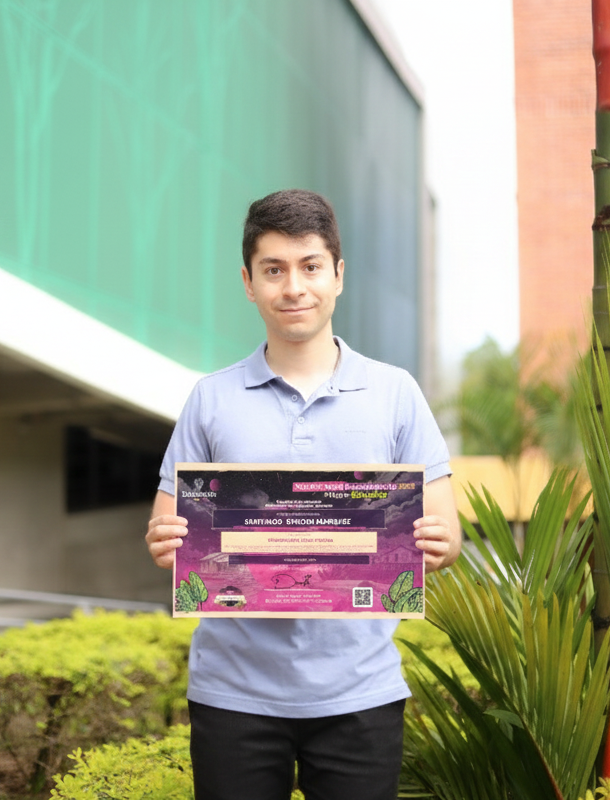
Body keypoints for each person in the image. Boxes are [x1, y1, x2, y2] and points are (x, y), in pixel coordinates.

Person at [145, 189, 460, 800]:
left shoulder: (396, 393)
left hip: (360, 693)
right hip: (232, 693)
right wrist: (165, 541)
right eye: (274, 270)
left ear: (338, 274)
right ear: (248, 282)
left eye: (310, 266)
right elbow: (167, 530)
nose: (294, 287)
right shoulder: (210, 398)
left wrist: (439, 542)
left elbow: (446, 537)